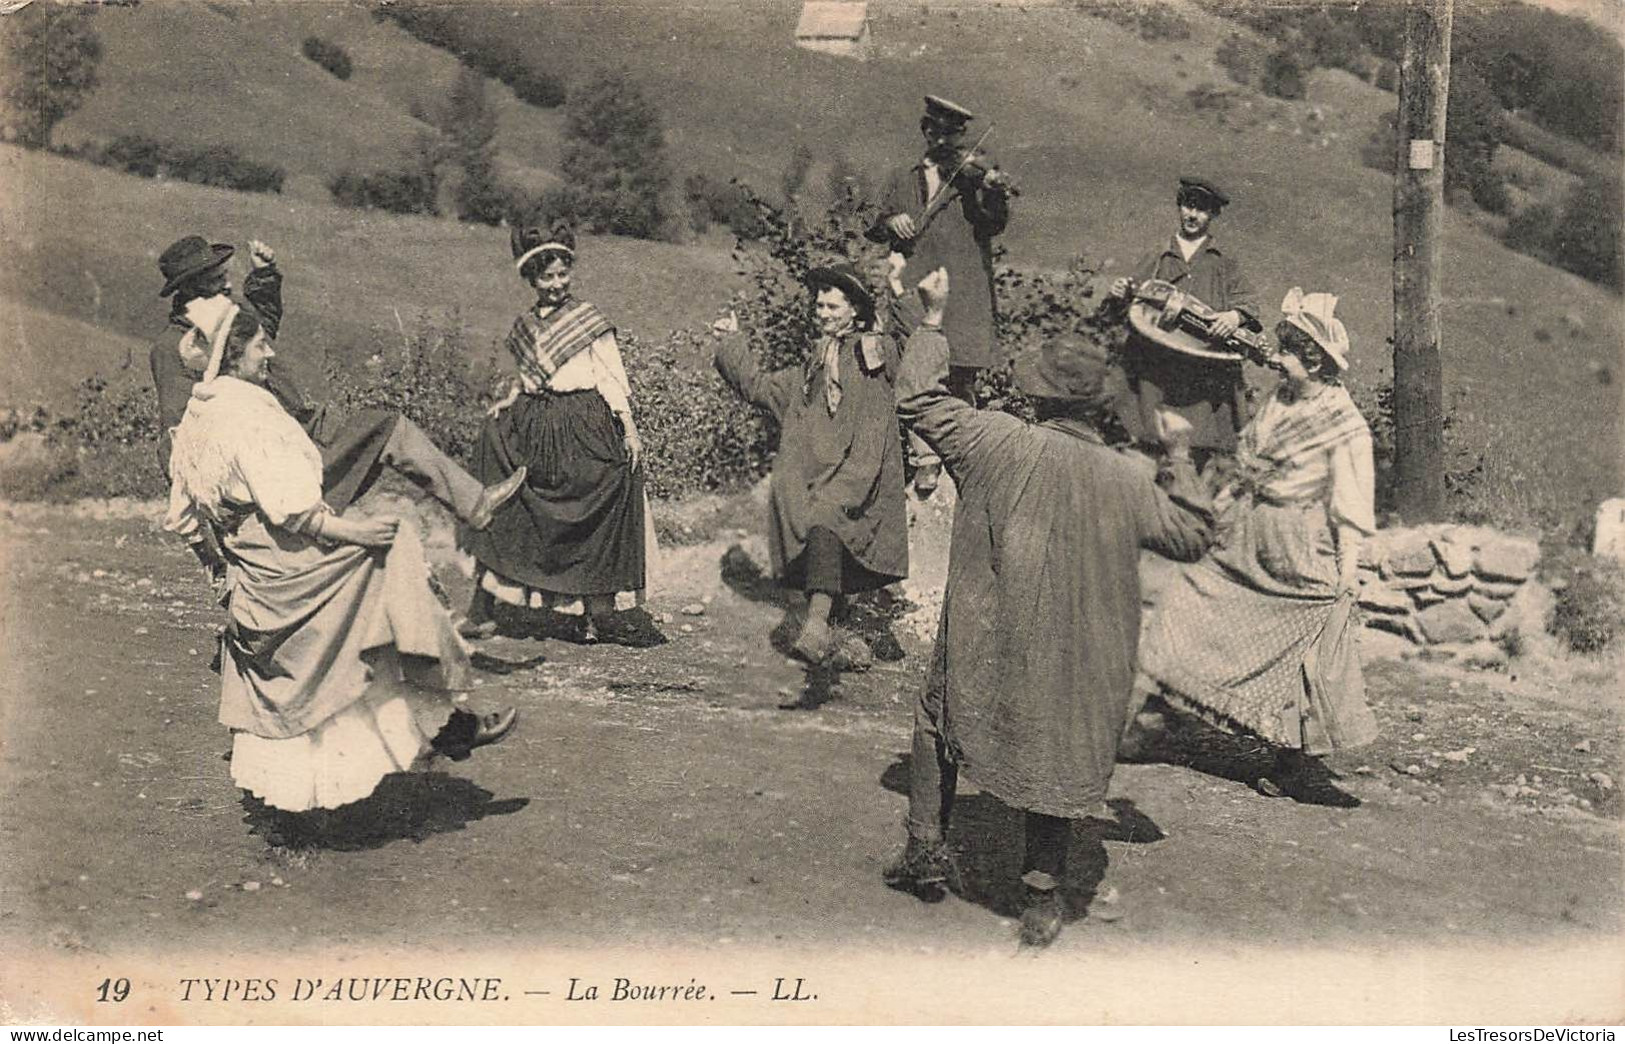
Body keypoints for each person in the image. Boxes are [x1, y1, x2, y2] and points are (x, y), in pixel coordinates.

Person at [885, 328, 1213, 949]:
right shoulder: (1125, 478)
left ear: (1033, 396)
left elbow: (915, 399)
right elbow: (1193, 535)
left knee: (937, 715)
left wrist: (932, 323)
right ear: (1097, 407)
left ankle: (925, 848)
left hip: (988, 635)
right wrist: (1179, 454)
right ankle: (1040, 897)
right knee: (1059, 745)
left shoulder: (990, 437)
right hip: (1081, 653)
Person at [163, 310, 518, 820]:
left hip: (257, 574)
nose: (271, 354)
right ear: (233, 355)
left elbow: (184, 519)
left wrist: (225, 571)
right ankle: (448, 726)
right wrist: (359, 532)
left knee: (357, 624)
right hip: (290, 565)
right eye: (261, 346)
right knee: (390, 560)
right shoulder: (250, 417)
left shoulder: (198, 417)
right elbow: (296, 512)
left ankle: (439, 733)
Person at [149, 235, 529, 578]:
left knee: (388, 429)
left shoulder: (224, 321)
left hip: (307, 440)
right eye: (217, 282)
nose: (229, 285)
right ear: (190, 293)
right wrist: (210, 543)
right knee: (357, 542)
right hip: (269, 475)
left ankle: (476, 505)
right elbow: (180, 443)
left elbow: (259, 330)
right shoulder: (174, 351)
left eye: (225, 277)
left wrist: (264, 277)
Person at [1134, 288, 1378, 798]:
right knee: (1191, 604)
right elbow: (1249, 459)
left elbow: (1352, 505)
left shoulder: (1345, 425)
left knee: (1300, 653)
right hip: (1246, 532)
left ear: (1314, 362)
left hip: (1298, 546)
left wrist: (1348, 572)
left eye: (1289, 354)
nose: (1278, 360)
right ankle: (1158, 717)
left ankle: (1295, 764)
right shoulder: (1280, 399)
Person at [462, 221, 660, 646]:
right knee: (507, 495)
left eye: (562, 274)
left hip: (583, 422)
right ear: (531, 279)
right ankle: (484, 606)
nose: (556, 284)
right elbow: (526, 378)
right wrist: (510, 400)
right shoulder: (526, 326)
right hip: (535, 422)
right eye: (546, 276)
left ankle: (593, 613)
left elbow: (611, 378)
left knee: (594, 502)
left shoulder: (588, 320)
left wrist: (629, 429)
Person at [713, 261, 908, 668]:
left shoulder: (874, 351)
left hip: (862, 467)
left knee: (827, 512)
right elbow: (761, 389)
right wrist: (732, 343)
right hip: (823, 472)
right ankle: (829, 623)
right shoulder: (812, 366)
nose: (822, 313)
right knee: (814, 507)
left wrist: (899, 291)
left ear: (854, 309)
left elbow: (905, 345)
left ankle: (818, 626)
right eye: (819, 306)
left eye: (832, 307)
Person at [868, 95, 1013, 495]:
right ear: (925, 130)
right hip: (916, 284)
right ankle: (926, 460)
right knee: (915, 370)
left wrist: (992, 189)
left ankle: (965, 457)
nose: (943, 140)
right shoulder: (904, 176)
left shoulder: (973, 180)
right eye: (935, 131)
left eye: (952, 134)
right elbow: (874, 224)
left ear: (961, 136)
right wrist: (889, 220)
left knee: (960, 373)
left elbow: (995, 222)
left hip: (963, 287)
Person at [1109, 176, 1261, 471]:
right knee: (1149, 448)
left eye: (1202, 209)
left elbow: (1250, 305)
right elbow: (1133, 306)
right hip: (1157, 369)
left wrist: (1233, 317)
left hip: (1200, 374)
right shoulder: (1158, 256)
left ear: (1213, 215)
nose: (1193, 215)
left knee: (1195, 452)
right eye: (1188, 205)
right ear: (1179, 206)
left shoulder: (1223, 263)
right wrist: (1118, 295)